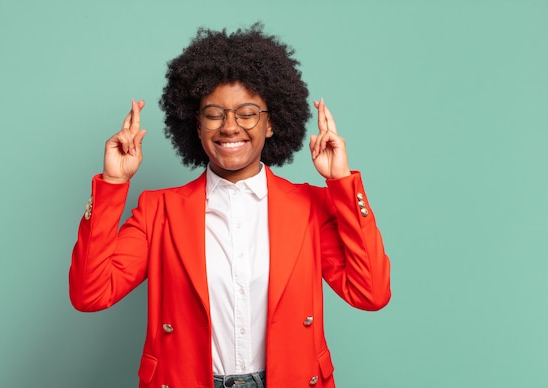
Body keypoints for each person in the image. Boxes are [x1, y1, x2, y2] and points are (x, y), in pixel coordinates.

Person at [70, 24, 391, 388]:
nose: (230, 127)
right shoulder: (158, 210)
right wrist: (113, 184)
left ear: (271, 124)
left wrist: (342, 183)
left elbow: (371, 293)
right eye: (214, 114)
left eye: (247, 112)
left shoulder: (309, 207)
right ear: (196, 124)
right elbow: (90, 294)